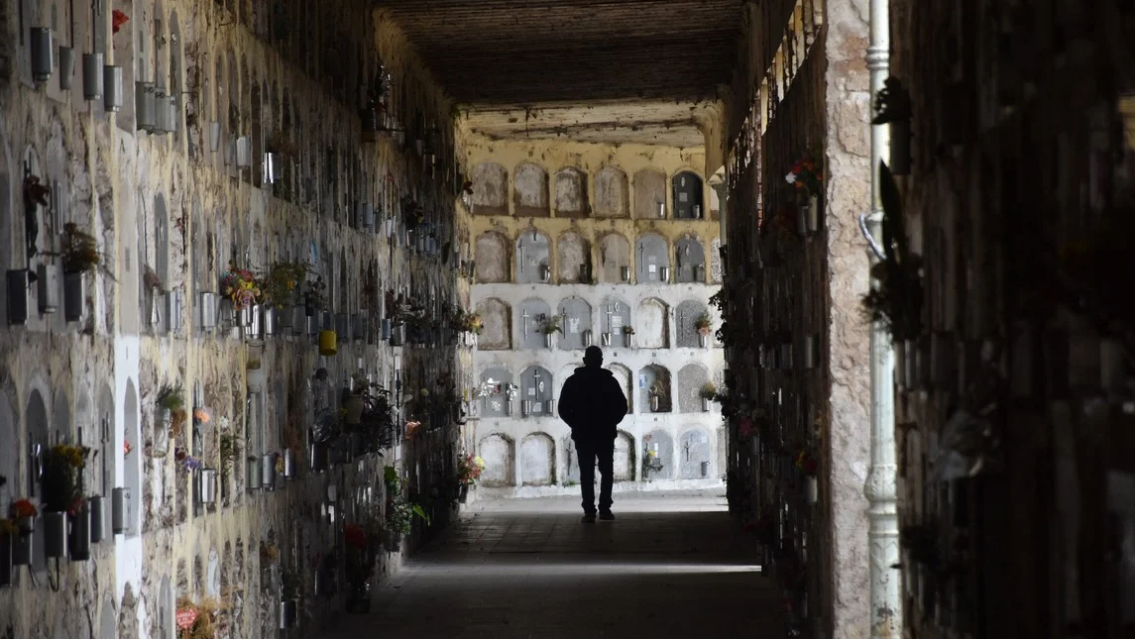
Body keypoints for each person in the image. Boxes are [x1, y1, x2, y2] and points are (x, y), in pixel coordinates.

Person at [557, 346, 628, 522]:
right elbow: (622, 406)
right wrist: (611, 421)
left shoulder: (573, 382)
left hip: (584, 433)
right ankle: (604, 508)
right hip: (604, 433)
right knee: (607, 471)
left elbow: (563, 408)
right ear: (601, 361)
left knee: (586, 472)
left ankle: (589, 510)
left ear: (584, 360)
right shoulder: (609, 382)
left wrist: (575, 423)